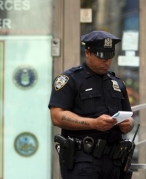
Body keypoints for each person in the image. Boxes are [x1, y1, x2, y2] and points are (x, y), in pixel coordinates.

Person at [48, 31, 135, 179]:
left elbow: (128, 114)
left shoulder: (117, 83)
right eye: (101, 56)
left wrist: (129, 124)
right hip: (83, 159)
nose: (106, 62)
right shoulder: (70, 80)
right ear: (88, 53)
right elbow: (57, 116)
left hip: (114, 161)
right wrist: (94, 123)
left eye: (110, 57)